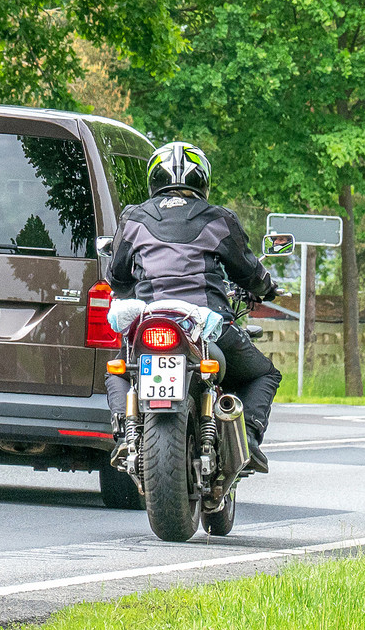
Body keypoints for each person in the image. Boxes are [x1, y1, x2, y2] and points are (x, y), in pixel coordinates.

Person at [104, 141, 281, 474]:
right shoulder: (219, 219)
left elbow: (116, 275)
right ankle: (251, 439)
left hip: (149, 323)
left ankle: (124, 434)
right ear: (203, 181)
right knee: (265, 373)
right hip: (207, 327)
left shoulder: (133, 218)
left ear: (153, 179)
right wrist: (267, 288)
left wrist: (130, 289)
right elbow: (249, 272)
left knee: (118, 371)